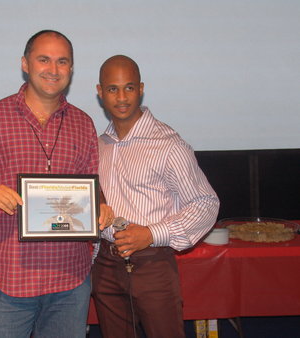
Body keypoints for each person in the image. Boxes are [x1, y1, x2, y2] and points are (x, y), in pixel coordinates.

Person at [0, 30, 113, 338]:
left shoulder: (83, 123)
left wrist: (100, 205)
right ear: (25, 64)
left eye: (62, 61)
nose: (53, 69)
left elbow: (93, 181)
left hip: (70, 281)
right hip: (8, 279)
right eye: (44, 59)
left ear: (71, 69)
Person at [91, 55, 220, 338]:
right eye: (112, 89)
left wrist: (151, 234)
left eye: (129, 87)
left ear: (141, 89)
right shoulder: (98, 146)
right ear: (100, 93)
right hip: (106, 266)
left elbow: (206, 203)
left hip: (153, 264)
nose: (122, 97)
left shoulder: (167, 144)